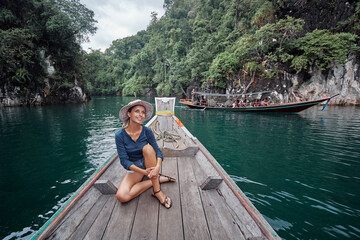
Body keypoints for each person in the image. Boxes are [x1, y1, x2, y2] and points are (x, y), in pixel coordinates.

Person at [115, 99, 174, 209]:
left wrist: (157, 167)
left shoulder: (147, 131)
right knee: (122, 196)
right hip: (136, 168)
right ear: (129, 114)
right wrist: (143, 172)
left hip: (149, 163)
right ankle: (157, 179)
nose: (140, 115)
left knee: (147, 148)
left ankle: (157, 191)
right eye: (137, 111)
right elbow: (124, 161)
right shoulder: (120, 135)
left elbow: (158, 152)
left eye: (143, 112)